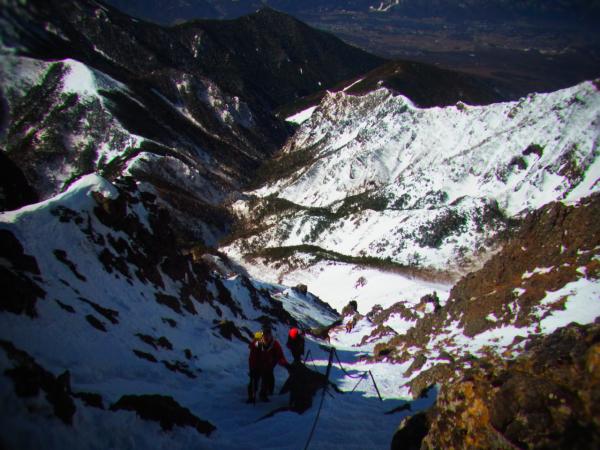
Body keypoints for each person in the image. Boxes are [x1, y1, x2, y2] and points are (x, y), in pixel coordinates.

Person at [247, 325, 289, 402]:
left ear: (270, 335)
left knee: (266, 379)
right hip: (256, 365)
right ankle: (251, 397)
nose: (266, 337)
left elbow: (280, 356)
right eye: (265, 335)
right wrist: (252, 368)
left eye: (268, 335)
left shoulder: (275, 344)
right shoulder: (257, 343)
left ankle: (263, 395)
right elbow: (252, 357)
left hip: (268, 365)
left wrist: (286, 365)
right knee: (253, 380)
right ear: (262, 336)